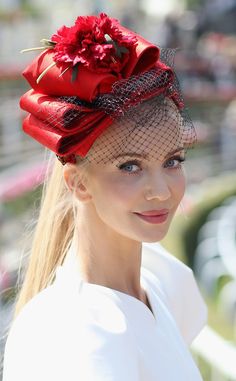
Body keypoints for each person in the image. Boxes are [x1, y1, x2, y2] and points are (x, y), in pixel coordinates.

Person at [3, 13, 207, 381]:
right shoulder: (77, 339)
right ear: (78, 183)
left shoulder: (162, 282)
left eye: (173, 160)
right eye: (130, 166)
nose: (161, 191)